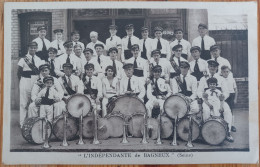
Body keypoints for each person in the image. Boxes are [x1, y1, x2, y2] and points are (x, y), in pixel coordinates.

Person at [17, 41, 44, 127]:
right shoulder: (23, 59)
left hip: (35, 81)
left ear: (36, 49)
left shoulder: (38, 59)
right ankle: (22, 123)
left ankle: (32, 122)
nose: (33, 49)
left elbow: (40, 71)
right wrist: (22, 82)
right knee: (24, 103)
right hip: (25, 80)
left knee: (34, 102)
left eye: (34, 48)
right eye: (31, 47)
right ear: (28, 48)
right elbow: (19, 72)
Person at [202, 77, 234, 142]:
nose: (212, 85)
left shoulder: (218, 91)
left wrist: (221, 107)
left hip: (217, 103)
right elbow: (205, 99)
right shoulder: (207, 91)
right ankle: (206, 129)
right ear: (208, 85)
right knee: (206, 111)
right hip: (208, 102)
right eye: (211, 84)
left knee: (219, 112)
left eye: (214, 84)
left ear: (216, 85)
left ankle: (227, 132)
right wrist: (208, 104)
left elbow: (221, 100)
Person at [221, 65, 238, 132]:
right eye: (224, 72)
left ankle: (232, 125)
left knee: (231, 111)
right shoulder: (220, 79)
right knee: (223, 110)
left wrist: (235, 99)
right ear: (221, 72)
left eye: (227, 71)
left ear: (229, 72)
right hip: (224, 96)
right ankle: (224, 125)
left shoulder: (232, 79)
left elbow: (236, 90)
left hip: (231, 95)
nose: (226, 73)